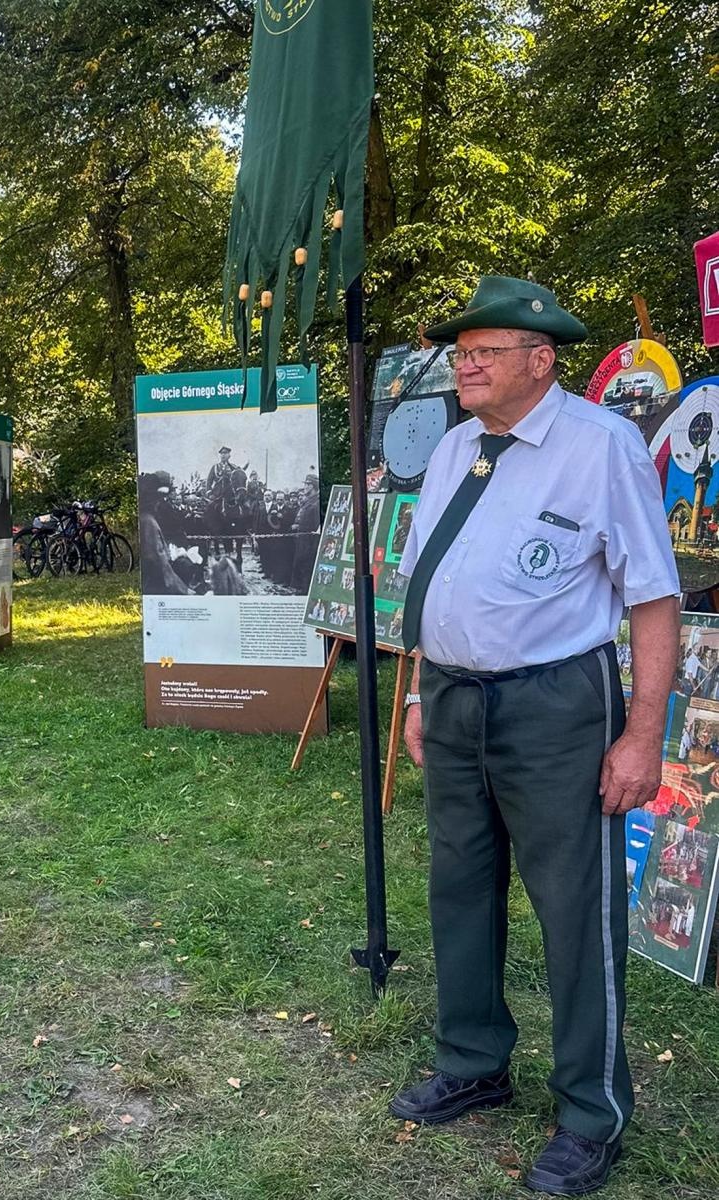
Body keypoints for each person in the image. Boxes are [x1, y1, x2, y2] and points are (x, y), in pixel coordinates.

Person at [391, 276, 680, 1196]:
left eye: (483, 350)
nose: (463, 363)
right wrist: (411, 699)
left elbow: (651, 597)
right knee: (458, 888)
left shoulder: (600, 448)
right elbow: (422, 583)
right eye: (460, 350)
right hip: (451, 698)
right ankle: (473, 1061)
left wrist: (641, 737)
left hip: (557, 704)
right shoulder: (452, 450)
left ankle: (591, 1112)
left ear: (540, 359)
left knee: (574, 911)